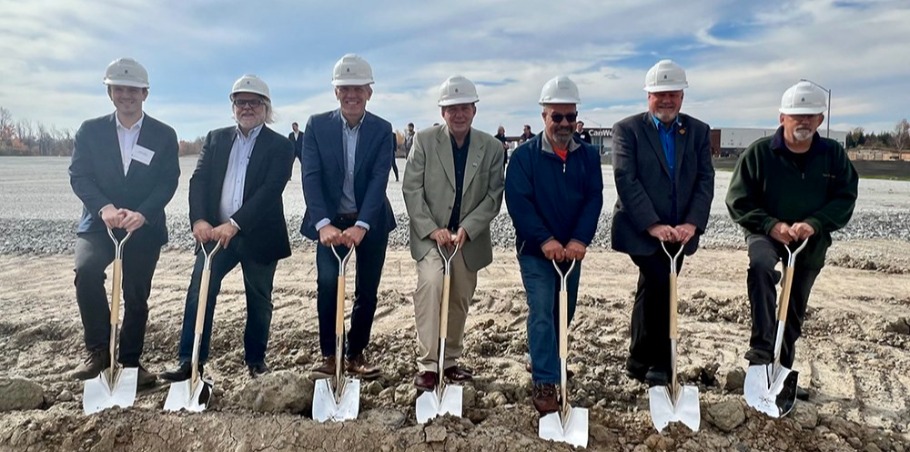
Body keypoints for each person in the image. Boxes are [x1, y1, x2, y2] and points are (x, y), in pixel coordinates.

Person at [726, 81, 858, 399]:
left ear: (820, 121)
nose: (803, 121)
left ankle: (780, 370)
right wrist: (770, 225)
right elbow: (738, 200)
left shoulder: (832, 156)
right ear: (782, 116)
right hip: (766, 233)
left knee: (794, 304)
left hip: (808, 239)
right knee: (760, 267)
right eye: (796, 115)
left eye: (810, 116)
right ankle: (761, 349)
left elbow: (845, 198)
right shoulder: (759, 153)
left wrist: (814, 224)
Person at [159, 74, 294, 381]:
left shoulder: (280, 146)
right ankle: (189, 361)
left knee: (259, 299)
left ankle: (256, 361)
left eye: (254, 102)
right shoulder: (216, 138)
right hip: (214, 235)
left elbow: (270, 191)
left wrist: (234, 224)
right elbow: (199, 180)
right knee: (199, 292)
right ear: (232, 106)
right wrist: (200, 220)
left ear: (266, 107)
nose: (247, 108)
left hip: (259, 235)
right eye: (240, 102)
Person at [68, 57, 180, 389]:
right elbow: (79, 175)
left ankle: (130, 362)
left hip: (142, 227)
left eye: (133, 90)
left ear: (144, 93)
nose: (126, 96)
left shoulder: (163, 134)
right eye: (119, 89)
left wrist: (143, 213)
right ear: (110, 93)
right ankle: (99, 351)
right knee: (86, 273)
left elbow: (167, 181)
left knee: (135, 293)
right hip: (99, 223)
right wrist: (104, 208)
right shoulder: (91, 131)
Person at [610, 59, 715, 386]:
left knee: (652, 284)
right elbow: (626, 179)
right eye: (660, 94)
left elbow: (704, 180)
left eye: (673, 94)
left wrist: (692, 224)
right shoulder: (627, 130)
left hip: (680, 232)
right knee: (660, 279)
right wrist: (653, 224)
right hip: (639, 228)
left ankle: (637, 357)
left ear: (682, 97)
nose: (667, 100)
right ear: (648, 97)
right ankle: (660, 361)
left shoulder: (697, 131)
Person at [505, 76, 603, 414]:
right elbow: (519, 203)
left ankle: (546, 358)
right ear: (544, 116)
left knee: (566, 310)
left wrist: (579, 239)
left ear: (577, 118)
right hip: (536, 251)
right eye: (556, 117)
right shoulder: (523, 158)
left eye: (569, 117)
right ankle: (545, 379)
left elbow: (593, 199)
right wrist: (544, 239)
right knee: (543, 310)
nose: (563, 124)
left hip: (571, 253)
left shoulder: (588, 157)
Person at [402, 75, 505, 391]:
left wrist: (467, 228)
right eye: (451, 109)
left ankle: (450, 360)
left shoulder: (491, 147)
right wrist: (433, 229)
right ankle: (430, 364)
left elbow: (493, 195)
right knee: (432, 285)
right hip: (431, 235)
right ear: (442, 111)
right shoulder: (424, 141)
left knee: (459, 293)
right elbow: (411, 188)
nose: (458, 114)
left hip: (465, 238)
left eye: (464, 108)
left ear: (474, 110)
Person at [301, 54, 397, 380]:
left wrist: (363, 224)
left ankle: (355, 353)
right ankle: (330, 354)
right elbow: (310, 177)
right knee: (328, 283)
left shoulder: (382, 130)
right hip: (329, 221)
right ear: (336, 92)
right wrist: (323, 223)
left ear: (369, 92)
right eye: (345, 89)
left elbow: (378, 179)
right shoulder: (316, 125)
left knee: (367, 289)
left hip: (370, 220)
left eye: (358, 89)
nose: (351, 95)